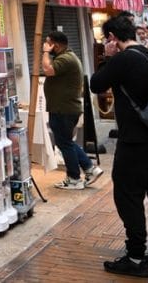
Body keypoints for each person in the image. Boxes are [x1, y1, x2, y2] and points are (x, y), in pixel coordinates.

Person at [90, 14, 148, 276]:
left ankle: (135, 257)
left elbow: (97, 85)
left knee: (128, 196)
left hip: (135, 141)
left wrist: (107, 57)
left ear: (111, 37)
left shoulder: (122, 59)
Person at [41, 31, 103, 190]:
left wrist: (45, 53)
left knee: (65, 143)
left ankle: (74, 178)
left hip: (64, 109)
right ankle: (90, 169)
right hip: (63, 108)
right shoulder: (66, 57)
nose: (46, 46)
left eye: (49, 43)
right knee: (66, 142)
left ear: (56, 45)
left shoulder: (66, 59)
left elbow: (48, 70)